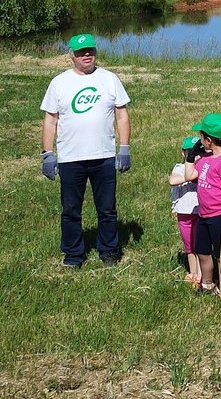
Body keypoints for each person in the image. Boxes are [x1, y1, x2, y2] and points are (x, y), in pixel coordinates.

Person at [40, 33, 131, 268]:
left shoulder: (109, 79)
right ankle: (73, 255)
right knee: (70, 210)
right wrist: (47, 154)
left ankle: (109, 251)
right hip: (71, 158)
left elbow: (122, 115)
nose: (86, 55)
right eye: (81, 52)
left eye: (90, 51)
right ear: (71, 55)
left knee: (107, 209)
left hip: (103, 156)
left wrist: (124, 149)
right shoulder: (59, 83)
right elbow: (50, 120)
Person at [183, 113, 221, 294]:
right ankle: (208, 284)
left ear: (208, 140)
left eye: (201, 137)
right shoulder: (206, 160)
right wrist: (190, 158)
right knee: (202, 251)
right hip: (204, 215)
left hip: (219, 216)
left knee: (220, 254)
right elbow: (189, 176)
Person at [169, 136, 201, 287]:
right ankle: (192, 272)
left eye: (198, 153)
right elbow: (172, 180)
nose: (196, 157)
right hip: (184, 213)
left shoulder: (203, 168)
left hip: (199, 212)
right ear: (184, 153)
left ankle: (201, 274)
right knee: (189, 246)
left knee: (199, 244)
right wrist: (190, 176)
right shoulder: (179, 168)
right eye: (191, 153)